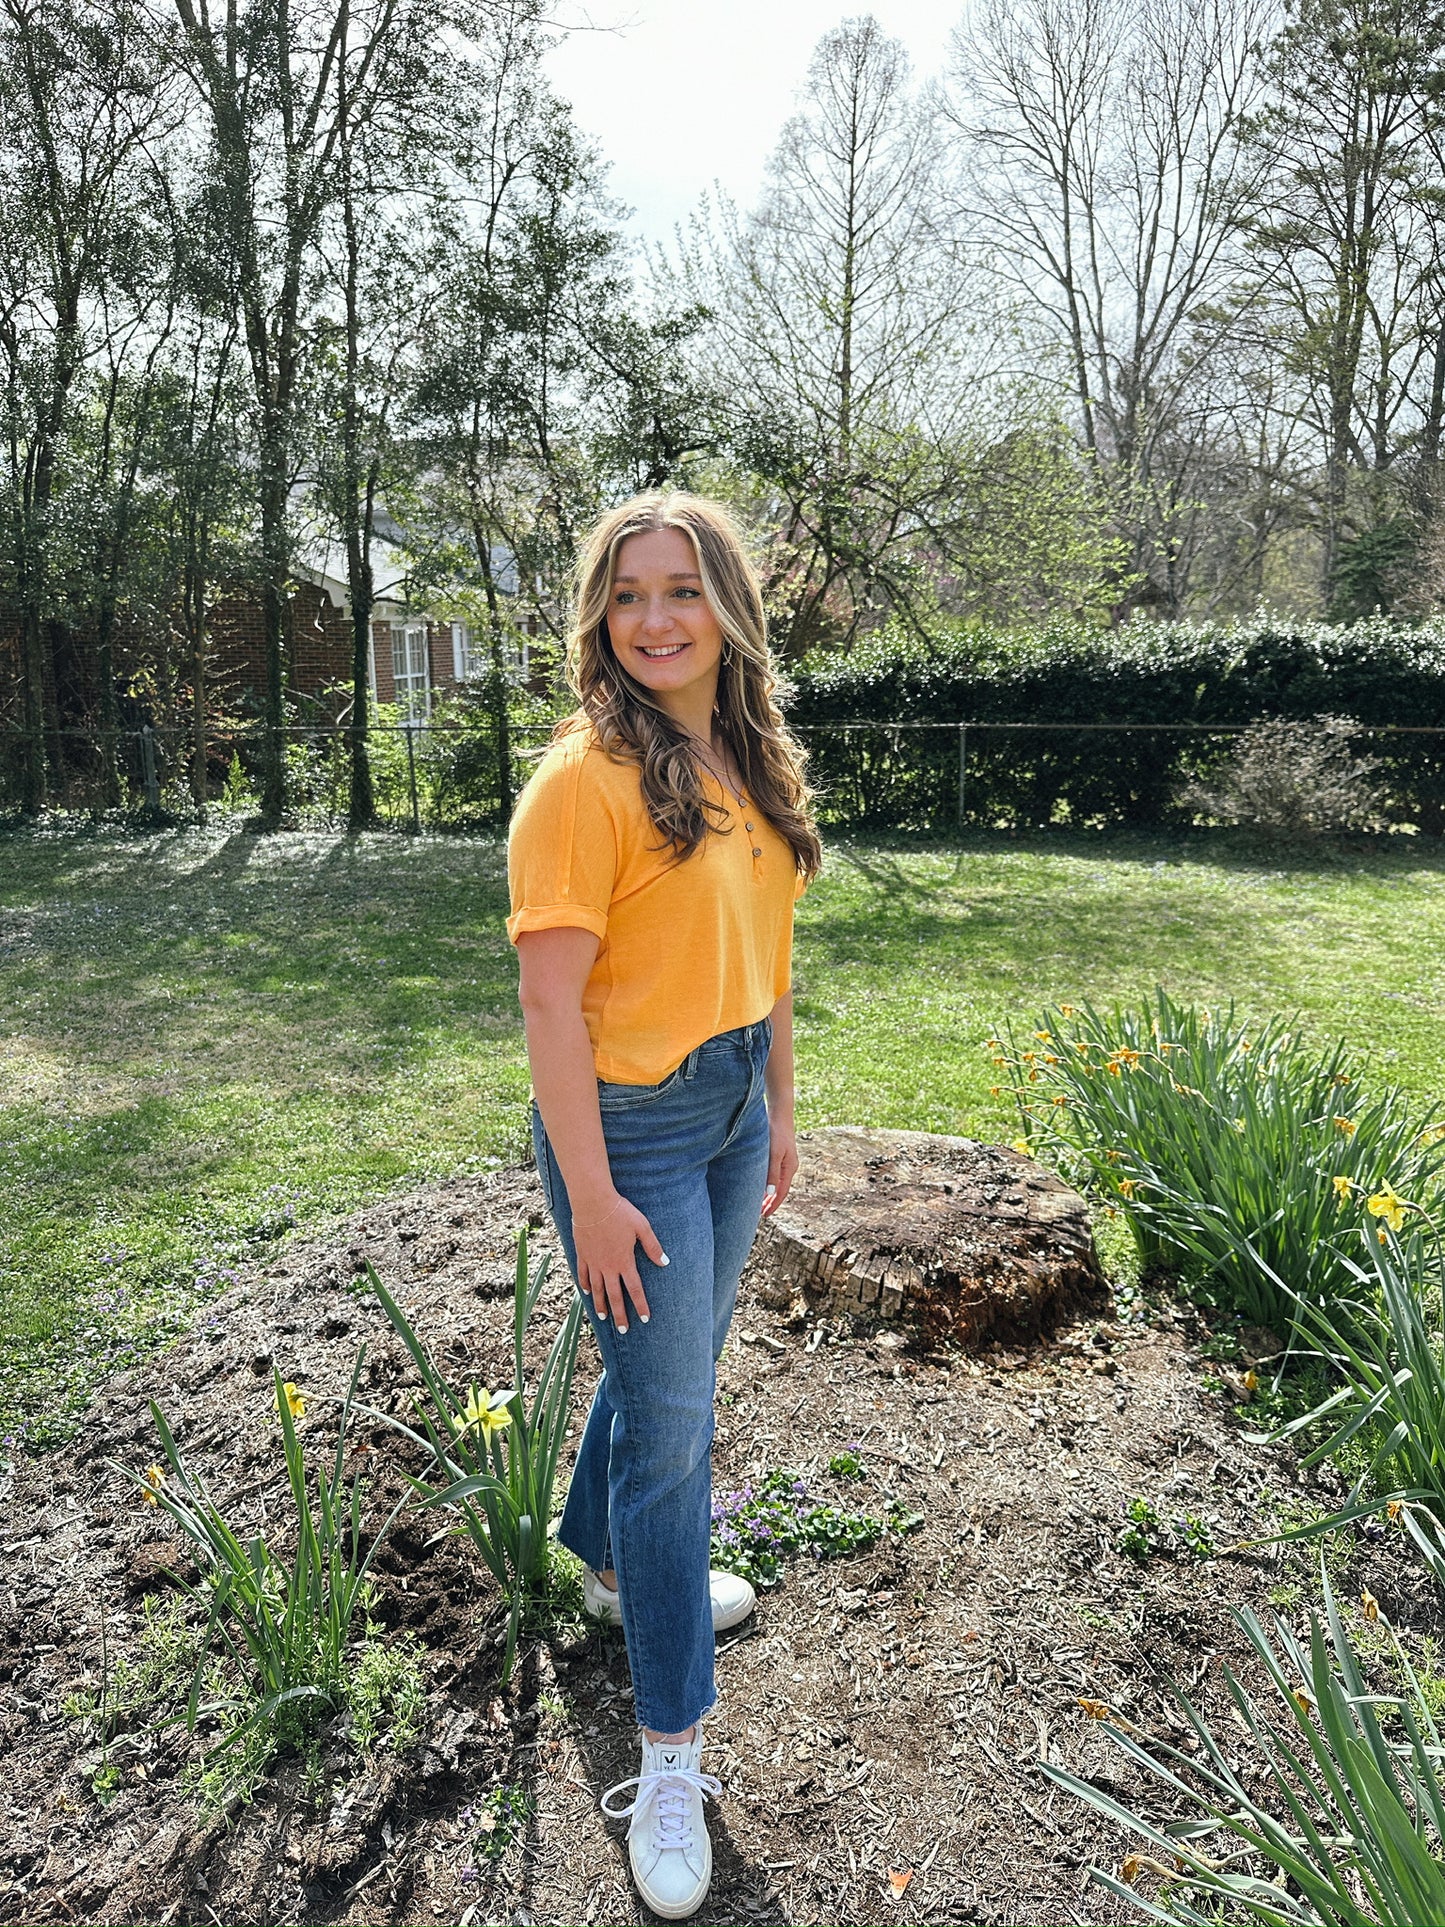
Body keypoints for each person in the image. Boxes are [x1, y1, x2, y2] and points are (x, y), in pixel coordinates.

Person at [506, 491, 822, 1918]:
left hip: (727, 1105)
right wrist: (588, 1195)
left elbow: (768, 949)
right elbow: (547, 1005)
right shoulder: (583, 782)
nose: (651, 617)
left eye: (678, 588)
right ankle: (673, 1757)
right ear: (599, 612)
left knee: (666, 1382)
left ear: (726, 607)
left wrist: (780, 1110)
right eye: (626, 593)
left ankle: (608, 1569)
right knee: (677, 1439)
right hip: (627, 1134)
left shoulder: (744, 754)